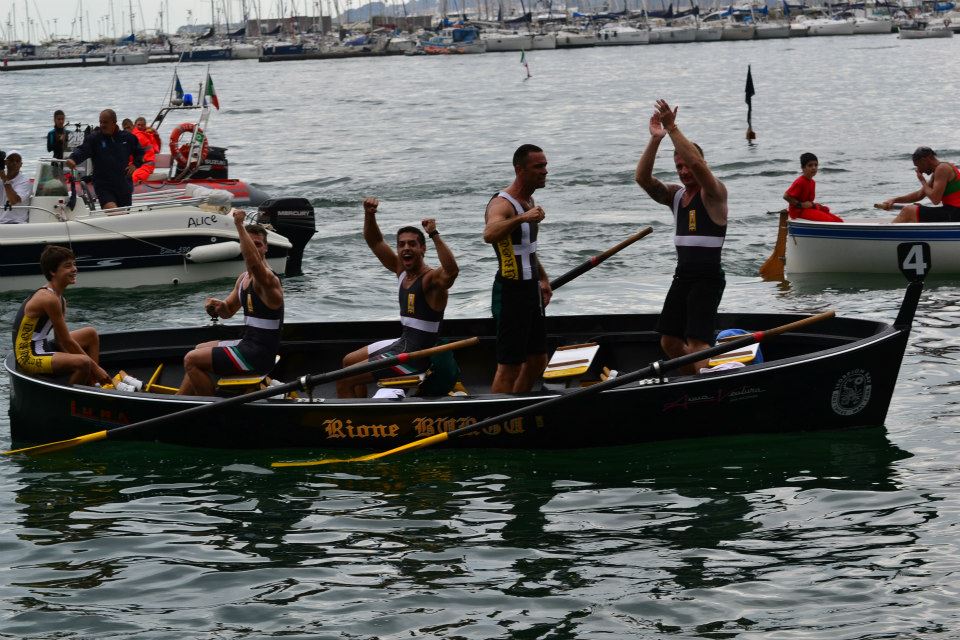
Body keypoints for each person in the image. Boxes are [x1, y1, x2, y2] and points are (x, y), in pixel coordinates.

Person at [634, 99, 728, 375]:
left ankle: (704, 390)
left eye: (687, 165)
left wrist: (673, 128)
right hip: (682, 276)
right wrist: (656, 139)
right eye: (679, 167)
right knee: (669, 341)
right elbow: (642, 178)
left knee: (699, 342)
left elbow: (697, 164)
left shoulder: (714, 193)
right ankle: (694, 381)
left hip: (707, 278)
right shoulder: (676, 195)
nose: (685, 171)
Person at [335, 197, 459, 398]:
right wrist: (369, 214)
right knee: (348, 361)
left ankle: (349, 423)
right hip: (404, 341)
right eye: (401, 245)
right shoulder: (401, 270)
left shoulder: (431, 280)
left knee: (343, 378)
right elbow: (375, 241)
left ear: (423, 248)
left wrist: (434, 234)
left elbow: (451, 271)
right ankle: (360, 409)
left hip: (417, 355)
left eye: (412, 244)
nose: (406, 248)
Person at [176, 210, 284, 396]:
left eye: (257, 244)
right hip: (247, 345)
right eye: (250, 244)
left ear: (266, 248)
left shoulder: (268, 280)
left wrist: (239, 226)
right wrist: (216, 307)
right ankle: (180, 400)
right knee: (199, 349)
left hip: (258, 356)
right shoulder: (243, 279)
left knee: (191, 359)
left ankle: (209, 409)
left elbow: (255, 264)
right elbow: (227, 312)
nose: (254, 248)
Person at [483, 144, 552, 393]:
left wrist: (543, 279)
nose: (545, 171)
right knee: (509, 366)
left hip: (530, 289)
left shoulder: (529, 200)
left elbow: (527, 249)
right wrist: (523, 218)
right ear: (519, 170)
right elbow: (489, 234)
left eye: (545, 165)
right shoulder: (503, 204)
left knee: (537, 360)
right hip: (511, 291)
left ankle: (517, 405)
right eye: (539, 166)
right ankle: (496, 420)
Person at [11, 245, 111, 386]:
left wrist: (71, 361)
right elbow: (66, 341)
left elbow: (59, 340)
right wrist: (95, 367)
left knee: (91, 334)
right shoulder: (48, 298)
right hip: (28, 357)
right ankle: (72, 396)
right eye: (67, 266)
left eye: (74, 264)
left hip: (43, 345)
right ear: (53, 271)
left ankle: (92, 383)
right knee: (83, 363)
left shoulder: (61, 300)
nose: (74, 269)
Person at [65, 108, 144, 210]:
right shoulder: (95, 138)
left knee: (124, 217)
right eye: (100, 122)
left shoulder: (127, 138)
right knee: (113, 212)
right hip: (104, 186)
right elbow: (83, 150)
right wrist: (73, 159)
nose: (102, 125)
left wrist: (135, 165)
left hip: (123, 185)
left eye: (105, 122)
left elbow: (140, 153)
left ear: (114, 123)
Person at [879, 147, 960, 223]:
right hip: (952, 212)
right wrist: (894, 200)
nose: (919, 170)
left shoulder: (942, 168)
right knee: (914, 208)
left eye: (918, 165)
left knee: (908, 211)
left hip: (955, 213)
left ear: (924, 160)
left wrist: (922, 180)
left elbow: (935, 200)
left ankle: (882, 236)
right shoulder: (938, 171)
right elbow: (919, 195)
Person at [783, 152, 843, 222]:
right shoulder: (800, 181)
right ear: (803, 168)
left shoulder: (812, 182)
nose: (814, 168)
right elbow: (786, 196)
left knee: (839, 221)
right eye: (810, 165)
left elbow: (808, 201)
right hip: (798, 212)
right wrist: (801, 204)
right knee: (831, 221)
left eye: (816, 165)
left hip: (808, 209)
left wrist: (815, 206)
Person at [0, 152, 32, 224]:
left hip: (16, 222)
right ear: (5, 162)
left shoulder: (25, 181)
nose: (14, 163)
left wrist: (4, 179)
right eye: (11, 160)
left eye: (17, 161)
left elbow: (13, 200)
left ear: (21, 164)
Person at [126, 117, 157, 183]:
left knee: (135, 175)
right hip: (138, 164)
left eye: (142, 125)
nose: (140, 127)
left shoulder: (139, 136)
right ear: (135, 125)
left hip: (146, 165)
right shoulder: (144, 135)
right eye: (139, 125)